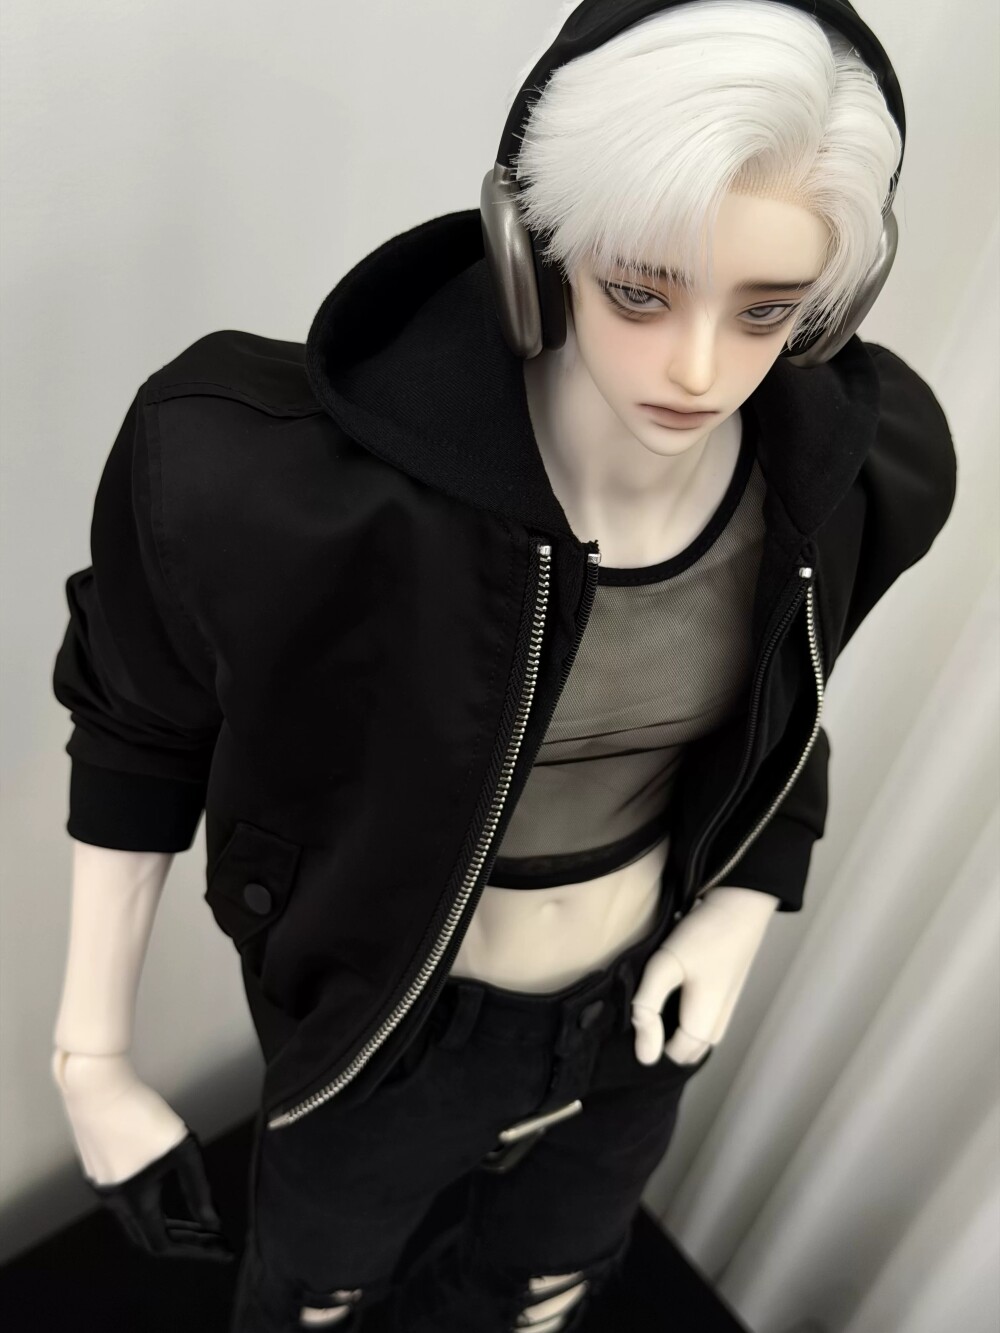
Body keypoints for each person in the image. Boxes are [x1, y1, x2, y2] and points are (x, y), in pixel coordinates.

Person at [49, 2, 957, 1330]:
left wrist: (741, 904)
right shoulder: (268, 486)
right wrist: (92, 1053)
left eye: (766, 311)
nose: (700, 367)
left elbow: (781, 709)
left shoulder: (848, 478)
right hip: (391, 1033)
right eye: (641, 290)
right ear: (534, 250)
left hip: (643, 1006)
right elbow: (139, 729)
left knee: (540, 1293)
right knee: (313, 1304)